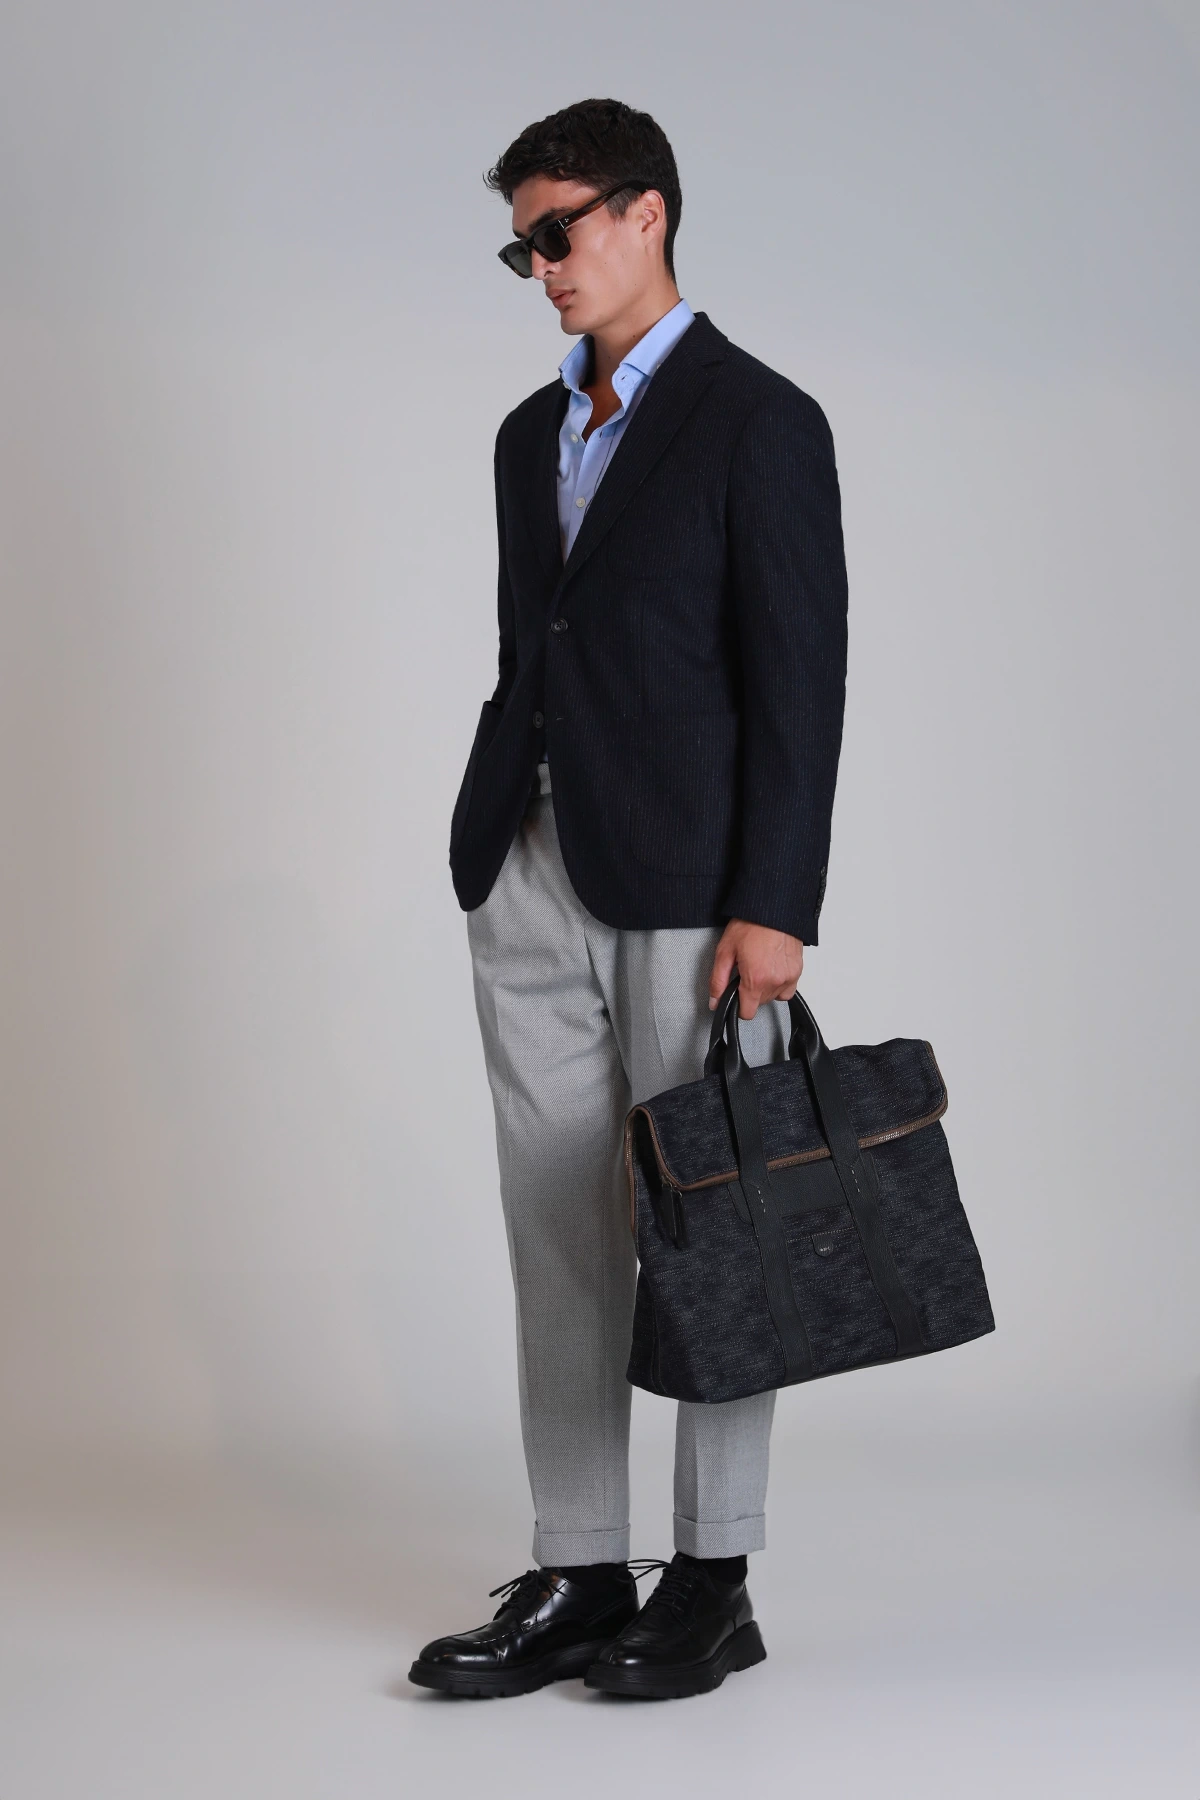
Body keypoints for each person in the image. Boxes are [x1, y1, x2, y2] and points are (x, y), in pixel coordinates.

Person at [409, 97, 848, 1701]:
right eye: (521, 245)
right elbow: (542, 651)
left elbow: (800, 677)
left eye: (559, 231)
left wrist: (775, 902)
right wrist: (490, 829)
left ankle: (711, 1580)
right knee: (558, 1232)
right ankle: (584, 1569)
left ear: (646, 212)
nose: (541, 267)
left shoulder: (758, 419)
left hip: (693, 890)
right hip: (528, 868)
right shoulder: (528, 436)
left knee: (712, 1232)